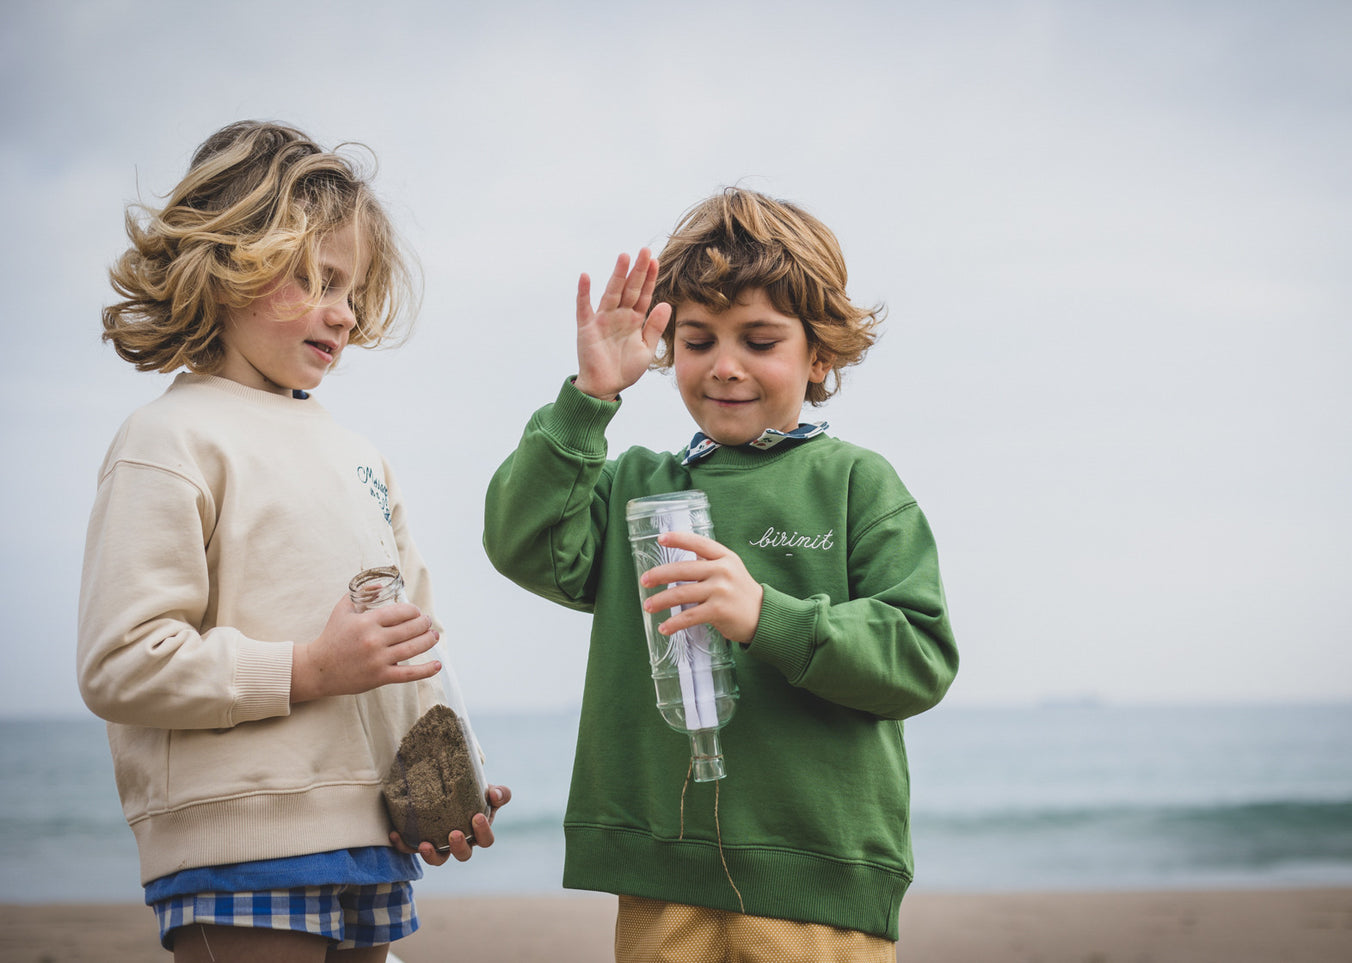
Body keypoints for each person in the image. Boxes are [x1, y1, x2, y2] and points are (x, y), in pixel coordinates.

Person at [484, 187, 958, 962]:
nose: (725, 366)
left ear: (821, 352)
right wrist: (589, 399)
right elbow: (522, 543)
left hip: (817, 875)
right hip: (659, 870)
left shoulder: (856, 482)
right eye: (698, 340)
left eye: (760, 341)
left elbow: (918, 656)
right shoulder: (634, 483)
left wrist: (765, 613)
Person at [78, 120, 508, 963]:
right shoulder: (167, 439)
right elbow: (121, 660)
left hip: (371, 838)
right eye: (314, 279)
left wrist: (456, 769)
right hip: (237, 845)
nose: (343, 314)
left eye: (351, 289)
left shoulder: (359, 453)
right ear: (226, 264)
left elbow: (413, 641)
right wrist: (307, 669)